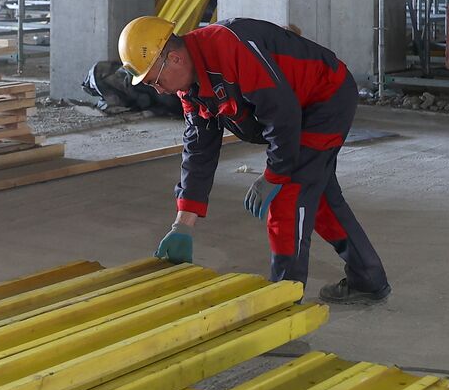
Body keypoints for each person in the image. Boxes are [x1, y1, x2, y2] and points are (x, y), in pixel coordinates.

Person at [119, 15, 390, 305]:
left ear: (173, 59)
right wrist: (183, 224)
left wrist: (274, 174)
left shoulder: (229, 49)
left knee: (289, 197)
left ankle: (284, 307)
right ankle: (368, 278)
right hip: (296, 110)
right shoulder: (191, 88)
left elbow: (282, 115)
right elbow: (199, 150)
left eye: (155, 81)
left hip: (325, 99)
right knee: (317, 194)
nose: (159, 90)